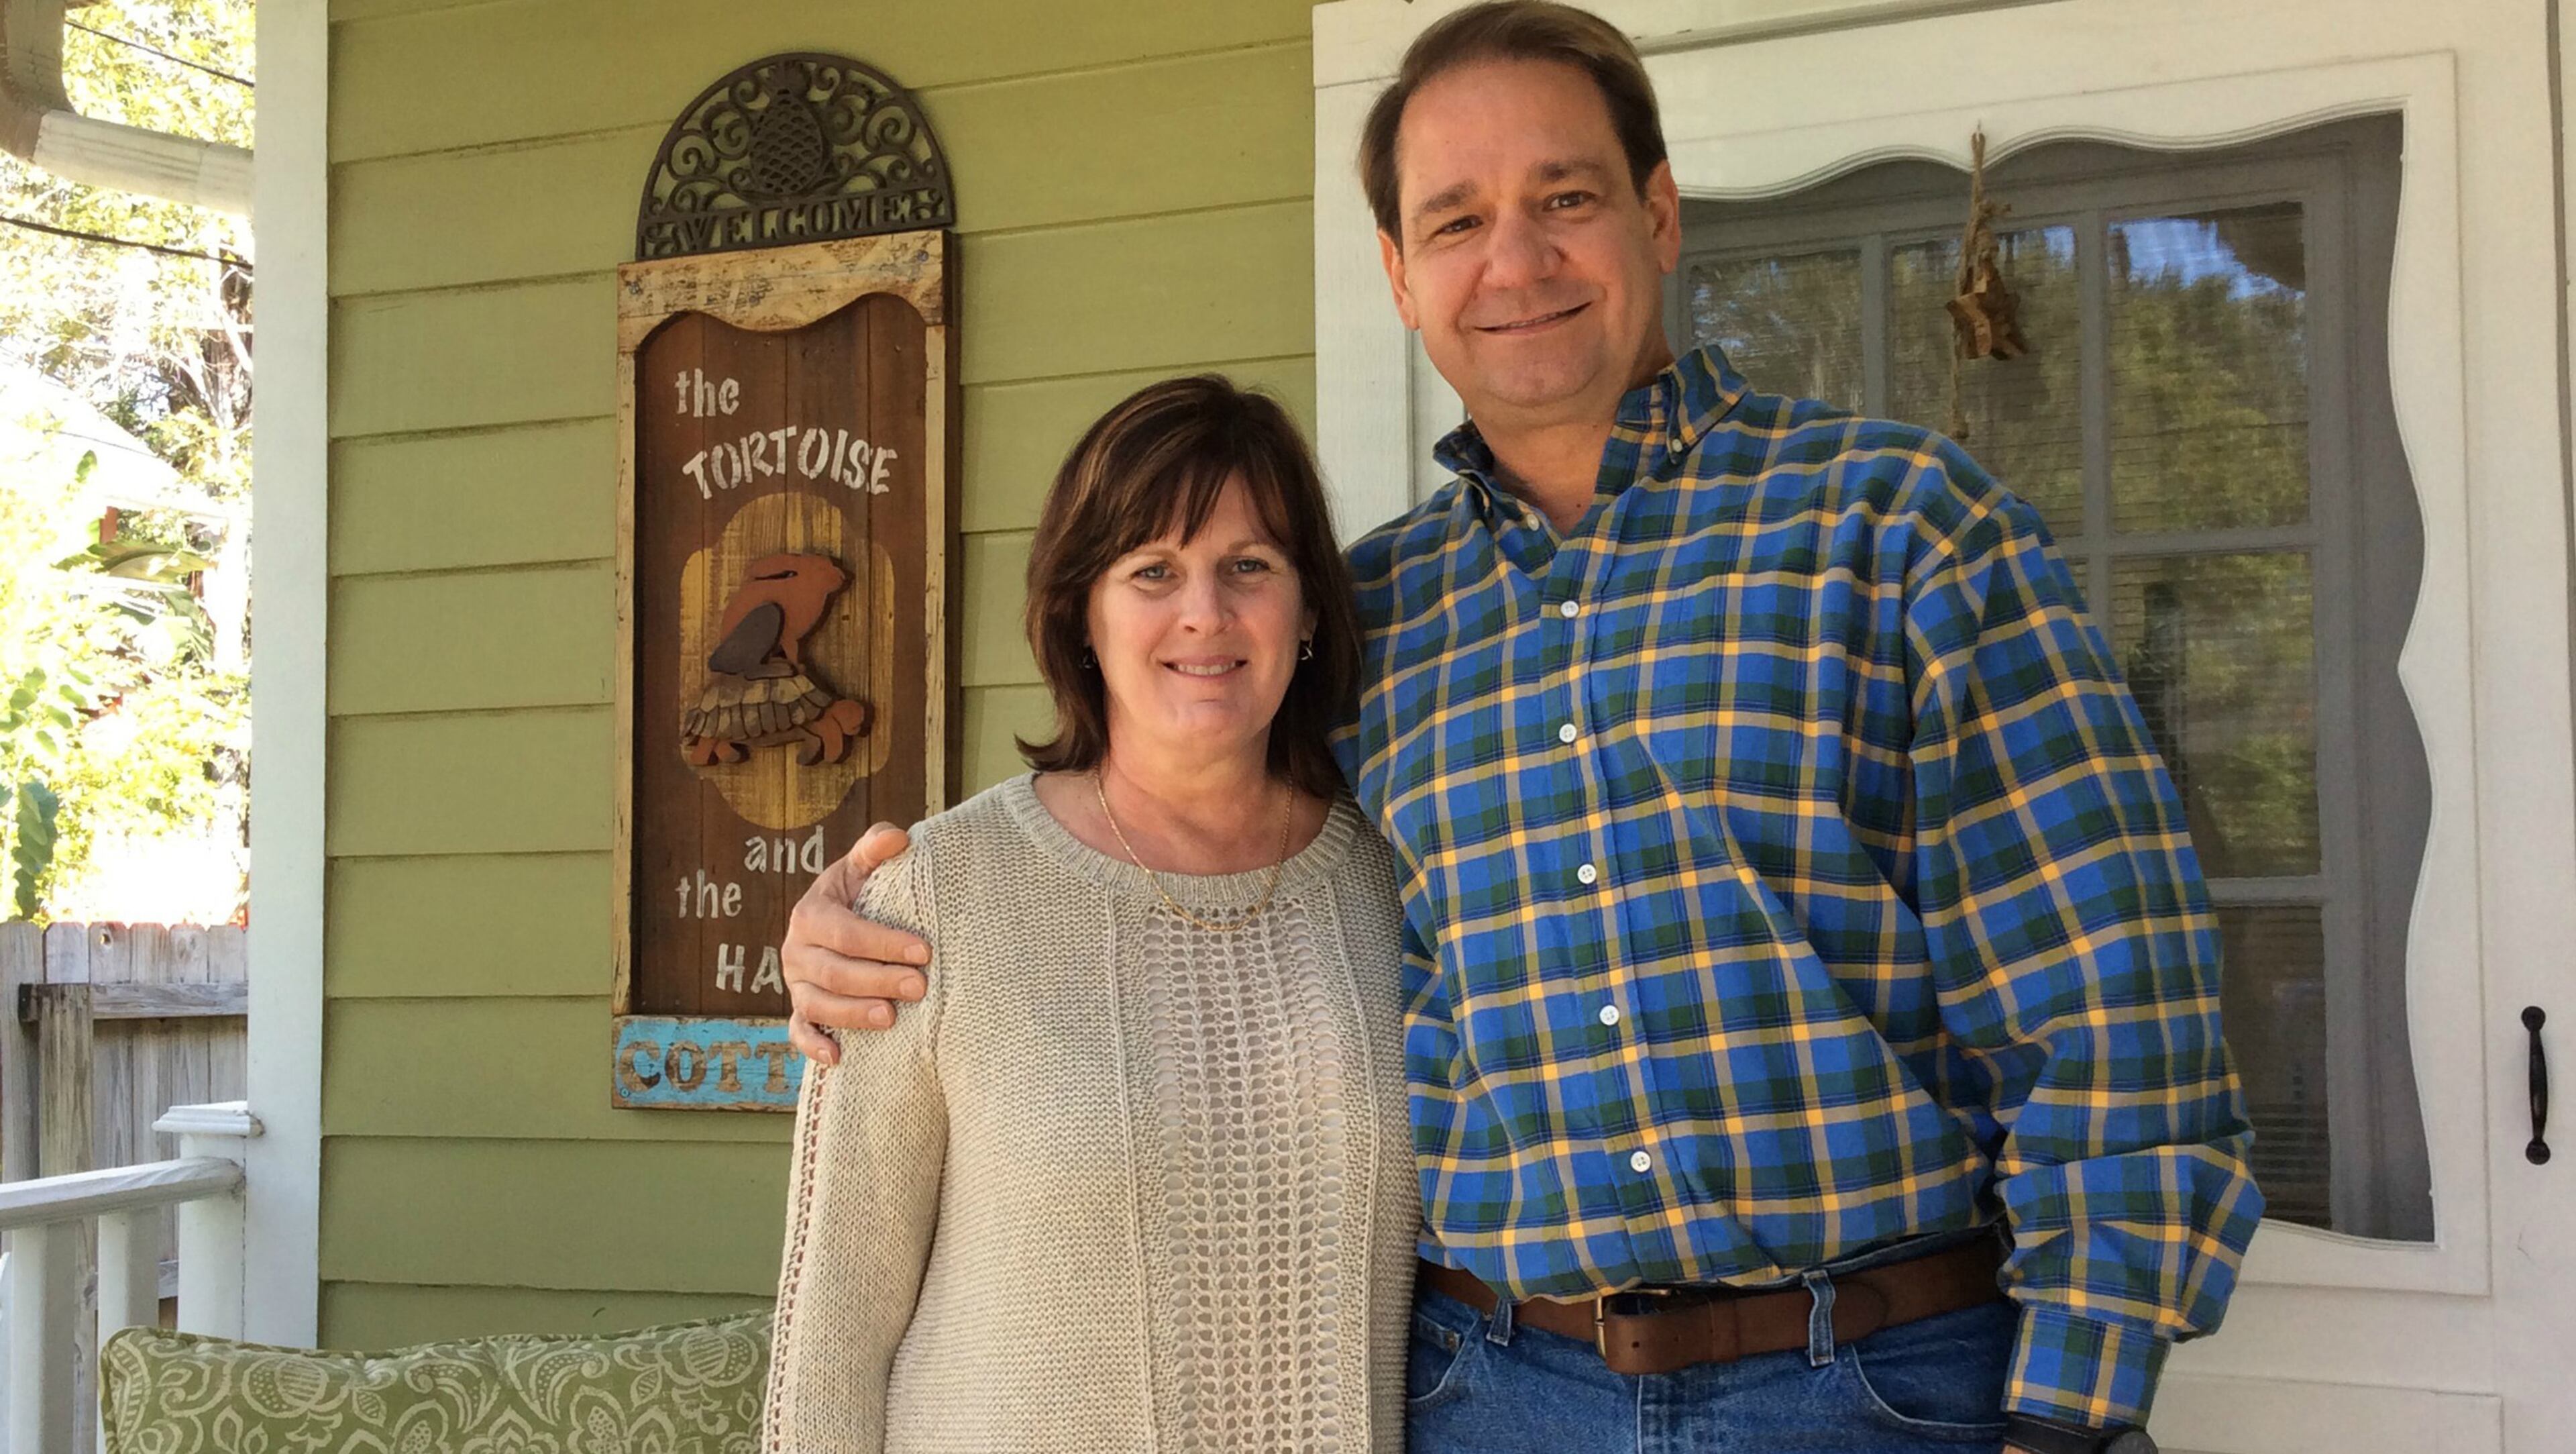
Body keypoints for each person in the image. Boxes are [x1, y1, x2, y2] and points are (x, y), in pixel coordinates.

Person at [778, 6, 2261, 1453]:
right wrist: (851, 934)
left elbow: (2115, 1005)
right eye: (1456, 220)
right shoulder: (1370, 623)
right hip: (1489, 1391)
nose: (1517, 260)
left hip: (1869, 1385)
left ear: (1660, 215)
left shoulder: (1899, 532)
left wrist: (2073, 1409)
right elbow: (1174, 854)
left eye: (1566, 198)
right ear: (1399, 276)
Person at [760, 376, 1417, 1452]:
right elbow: (839, 1311)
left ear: (1305, 614)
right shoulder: (940, 894)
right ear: (1082, 615)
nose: (1206, 612)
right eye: (1152, 571)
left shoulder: (1392, 887)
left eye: (1249, 566)